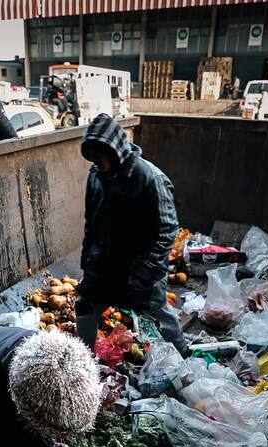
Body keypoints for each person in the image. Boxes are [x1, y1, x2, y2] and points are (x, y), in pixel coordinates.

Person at [75, 114, 187, 354]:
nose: (95, 160)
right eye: (91, 154)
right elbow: (91, 223)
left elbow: (167, 230)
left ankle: (182, 353)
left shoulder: (150, 179)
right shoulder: (96, 176)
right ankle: (82, 360)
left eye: (99, 153)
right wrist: (87, 262)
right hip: (105, 264)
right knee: (85, 305)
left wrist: (143, 270)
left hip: (138, 267)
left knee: (157, 311)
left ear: (114, 150)